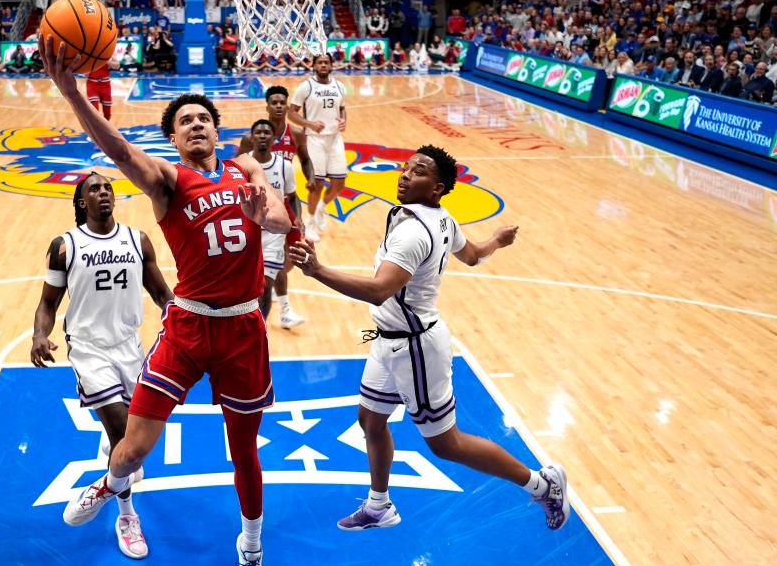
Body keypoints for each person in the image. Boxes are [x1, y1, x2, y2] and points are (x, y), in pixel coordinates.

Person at [42, 35, 291, 566]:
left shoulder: (245, 172)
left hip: (242, 329)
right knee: (131, 449)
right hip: (186, 325)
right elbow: (121, 153)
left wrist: (263, 211)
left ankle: (251, 548)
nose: (197, 125)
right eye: (185, 122)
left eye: (204, 118)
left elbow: (277, 216)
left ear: (217, 130)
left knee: (244, 452)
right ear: (173, 139)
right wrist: (71, 92)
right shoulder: (170, 183)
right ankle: (109, 485)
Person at [288, 145, 570, 533]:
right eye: (405, 168)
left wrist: (317, 270)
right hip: (388, 340)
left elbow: (378, 290)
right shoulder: (441, 219)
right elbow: (471, 255)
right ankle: (379, 505)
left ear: (436, 188)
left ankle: (542, 484)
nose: (404, 175)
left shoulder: (414, 233)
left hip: (416, 348)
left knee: (446, 444)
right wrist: (496, 240)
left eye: (417, 172)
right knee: (370, 420)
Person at [31, 172, 173, 559]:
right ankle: (125, 515)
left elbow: (161, 293)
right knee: (121, 432)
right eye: (94, 189)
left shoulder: (137, 240)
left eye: (107, 187)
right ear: (82, 203)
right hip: (90, 350)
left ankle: (116, 476)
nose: (103, 192)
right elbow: (48, 303)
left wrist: (183, 323)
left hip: (131, 347)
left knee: (134, 446)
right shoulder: (65, 246)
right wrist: (39, 335)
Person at [238, 85, 314, 328]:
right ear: (268, 105)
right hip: (253, 214)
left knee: (282, 262)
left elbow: (304, 163)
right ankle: (275, 305)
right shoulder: (249, 145)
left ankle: (281, 308)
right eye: (275, 102)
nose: (279, 106)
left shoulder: (295, 138)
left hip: (282, 208)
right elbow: (236, 176)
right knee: (264, 267)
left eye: (283, 102)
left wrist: (310, 181)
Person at [288, 53, 347, 243]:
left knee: (339, 184)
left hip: (335, 138)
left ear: (331, 65)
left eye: (326, 62)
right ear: (314, 66)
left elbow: (342, 108)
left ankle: (322, 207)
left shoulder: (340, 86)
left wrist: (344, 121)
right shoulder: (306, 86)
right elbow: (291, 113)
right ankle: (310, 222)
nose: (323, 65)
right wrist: (309, 123)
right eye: (320, 62)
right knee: (317, 185)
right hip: (314, 139)